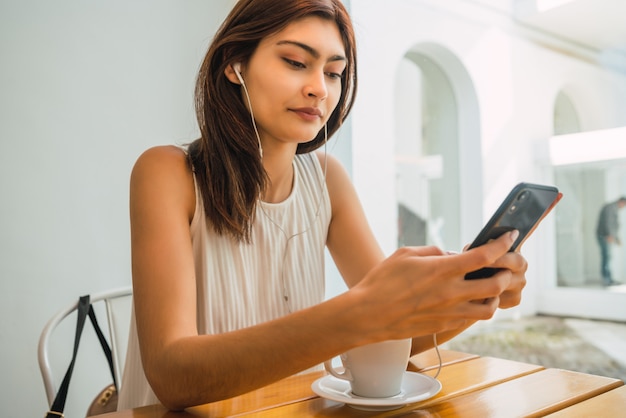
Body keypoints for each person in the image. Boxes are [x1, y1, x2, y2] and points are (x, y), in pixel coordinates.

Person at [117, 0, 527, 411]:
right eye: (296, 62)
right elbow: (173, 375)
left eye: (334, 72)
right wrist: (361, 310)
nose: (320, 88)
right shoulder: (168, 173)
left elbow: (394, 332)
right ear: (234, 63)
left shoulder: (327, 179)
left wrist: (472, 296)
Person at [596, 197, 626, 286]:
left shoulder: (614, 208)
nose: (623, 207)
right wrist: (609, 235)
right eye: (624, 205)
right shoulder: (610, 207)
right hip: (604, 236)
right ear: (621, 202)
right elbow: (608, 222)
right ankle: (606, 279)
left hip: (607, 236)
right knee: (606, 257)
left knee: (608, 257)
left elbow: (613, 224)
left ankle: (609, 279)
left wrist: (616, 238)